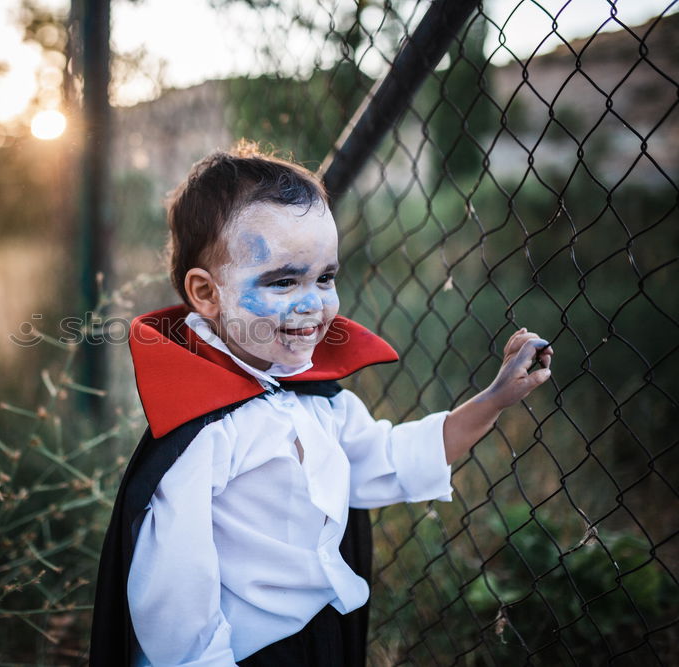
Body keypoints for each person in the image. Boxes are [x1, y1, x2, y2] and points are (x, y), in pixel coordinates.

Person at [89, 143, 553, 667]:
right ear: (206, 293)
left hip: (325, 634)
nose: (314, 304)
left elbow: (392, 459)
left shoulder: (313, 400)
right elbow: (176, 611)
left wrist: (495, 398)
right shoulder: (203, 434)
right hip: (245, 654)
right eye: (284, 281)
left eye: (325, 278)